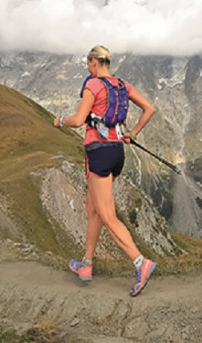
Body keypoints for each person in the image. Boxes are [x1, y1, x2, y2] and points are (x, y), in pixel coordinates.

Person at [54, 45, 157, 297]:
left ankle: (139, 262)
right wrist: (132, 133)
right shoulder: (122, 85)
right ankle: (86, 265)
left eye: (88, 64)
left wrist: (59, 121)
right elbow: (149, 108)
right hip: (117, 152)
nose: (87, 69)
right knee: (94, 210)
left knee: (108, 216)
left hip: (98, 153)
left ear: (94, 62)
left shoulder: (93, 85)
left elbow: (79, 120)